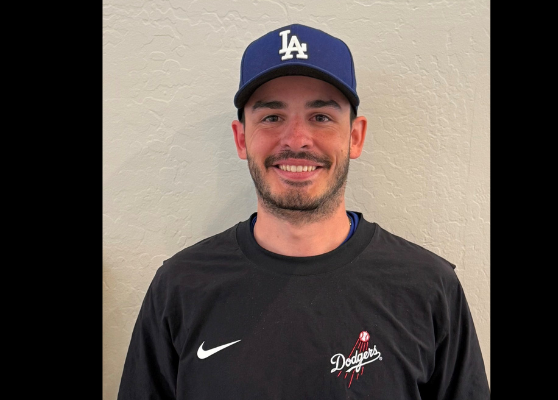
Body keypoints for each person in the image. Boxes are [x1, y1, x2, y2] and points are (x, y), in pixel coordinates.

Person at [117, 24, 490, 399]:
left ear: (355, 136)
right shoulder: (180, 287)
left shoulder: (429, 288)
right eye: (272, 117)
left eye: (321, 117)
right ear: (241, 138)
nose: (296, 139)